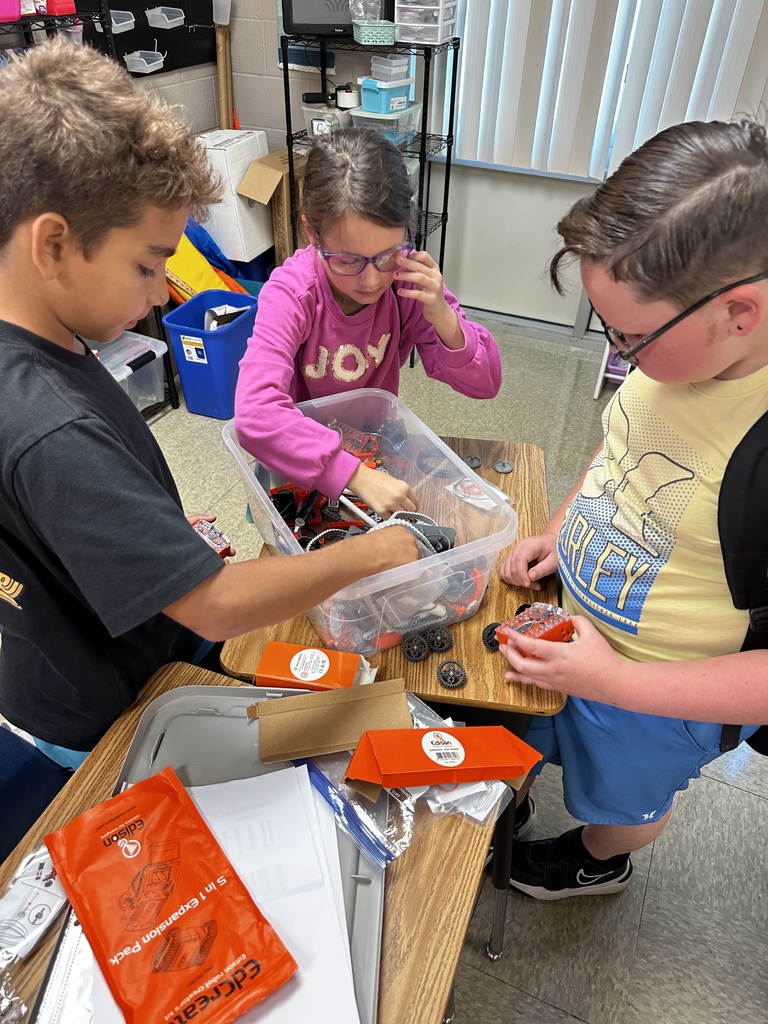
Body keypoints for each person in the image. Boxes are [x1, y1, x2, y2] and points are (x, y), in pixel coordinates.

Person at [0, 39, 420, 772]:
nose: (165, 292)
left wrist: (143, 535)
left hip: (107, 635)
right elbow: (216, 604)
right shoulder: (50, 429)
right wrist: (381, 549)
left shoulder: (39, 340)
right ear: (54, 245)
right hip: (111, 704)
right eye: (150, 261)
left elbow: (62, 511)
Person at [496, 118, 768, 900]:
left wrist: (616, 682)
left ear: (739, 312)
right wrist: (557, 531)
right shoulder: (682, 354)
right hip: (580, 633)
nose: (619, 352)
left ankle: (599, 858)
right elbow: (617, 453)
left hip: (663, 692)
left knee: (622, 798)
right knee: (542, 734)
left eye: (632, 335)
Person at [234, 128, 502, 517]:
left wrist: (443, 317)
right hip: (300, 465)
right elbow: (256, 415)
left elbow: (486, 384)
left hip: (374, 452)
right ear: (312, 232)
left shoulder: (407, 282)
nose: (372, 280)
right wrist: (353, 474)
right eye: (347, 261)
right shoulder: (292, 294)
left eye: (388, 254)